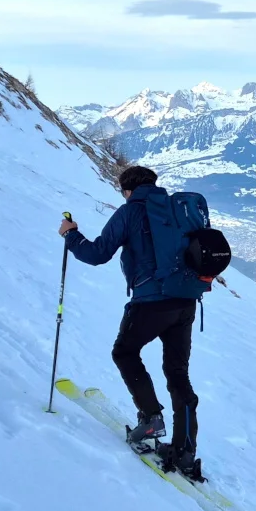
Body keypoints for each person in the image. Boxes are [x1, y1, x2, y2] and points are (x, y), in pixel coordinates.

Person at [57, 166, 203, 479]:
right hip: (186, 302)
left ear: (127, 189)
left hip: (151, 302)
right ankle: (185, 451)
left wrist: (71, 234)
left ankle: (150, 417)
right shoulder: (177, 211)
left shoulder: (130, 212)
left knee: (125, 352)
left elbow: (97, 254)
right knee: (178, 372)